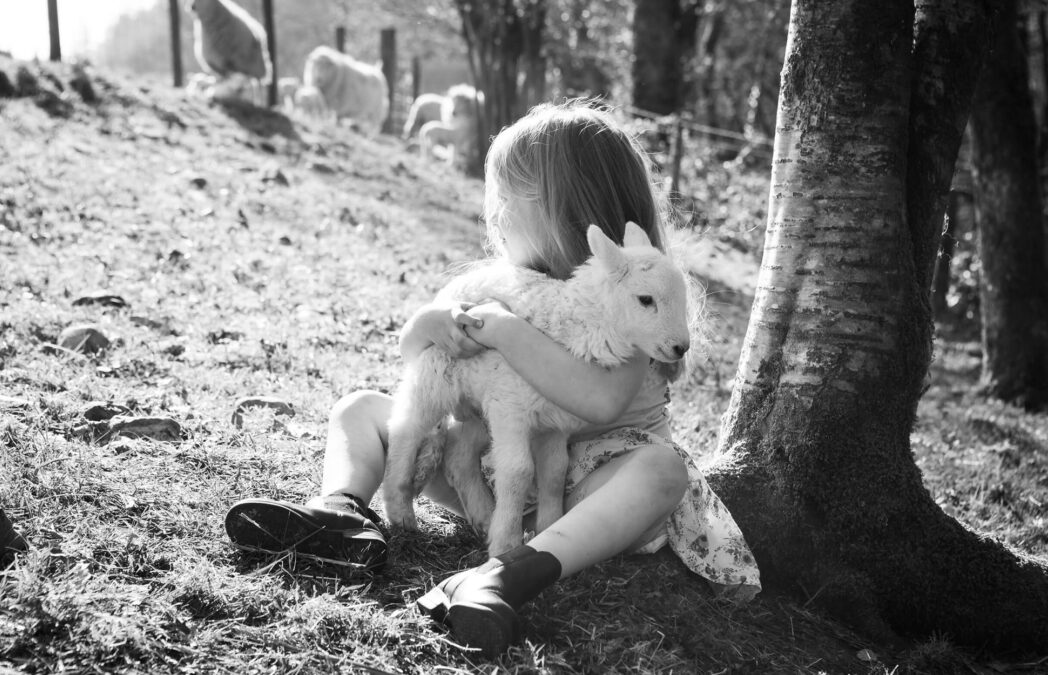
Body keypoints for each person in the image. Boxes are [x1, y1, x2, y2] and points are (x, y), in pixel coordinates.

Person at [225, 100, 761, 657]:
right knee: (360, 407)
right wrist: (429, 324)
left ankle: (508, 575)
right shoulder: (505, 282)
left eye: (507, 202)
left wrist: (506, 332)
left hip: (590, 493)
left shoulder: (627, 305)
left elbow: (599, 403)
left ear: (563, 212)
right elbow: (415, 359)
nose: (496, 218)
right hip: (489, 470)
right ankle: (339, 510)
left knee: (659, 471)